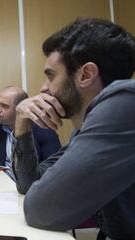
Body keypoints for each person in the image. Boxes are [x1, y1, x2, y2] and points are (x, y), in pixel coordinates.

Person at [12, 18, 135, 239]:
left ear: (86, 75)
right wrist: (21, 120)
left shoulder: (125, 103)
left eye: (51, 75)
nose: (43, 88)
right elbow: (28, 184)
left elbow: (41, 209)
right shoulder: (86, 128)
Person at [0, 86, 61, 181]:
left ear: (19, 109)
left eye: (4, 106)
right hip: (5, 185)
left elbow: (54, 169)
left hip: (32, 188)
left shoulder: (43, 129)